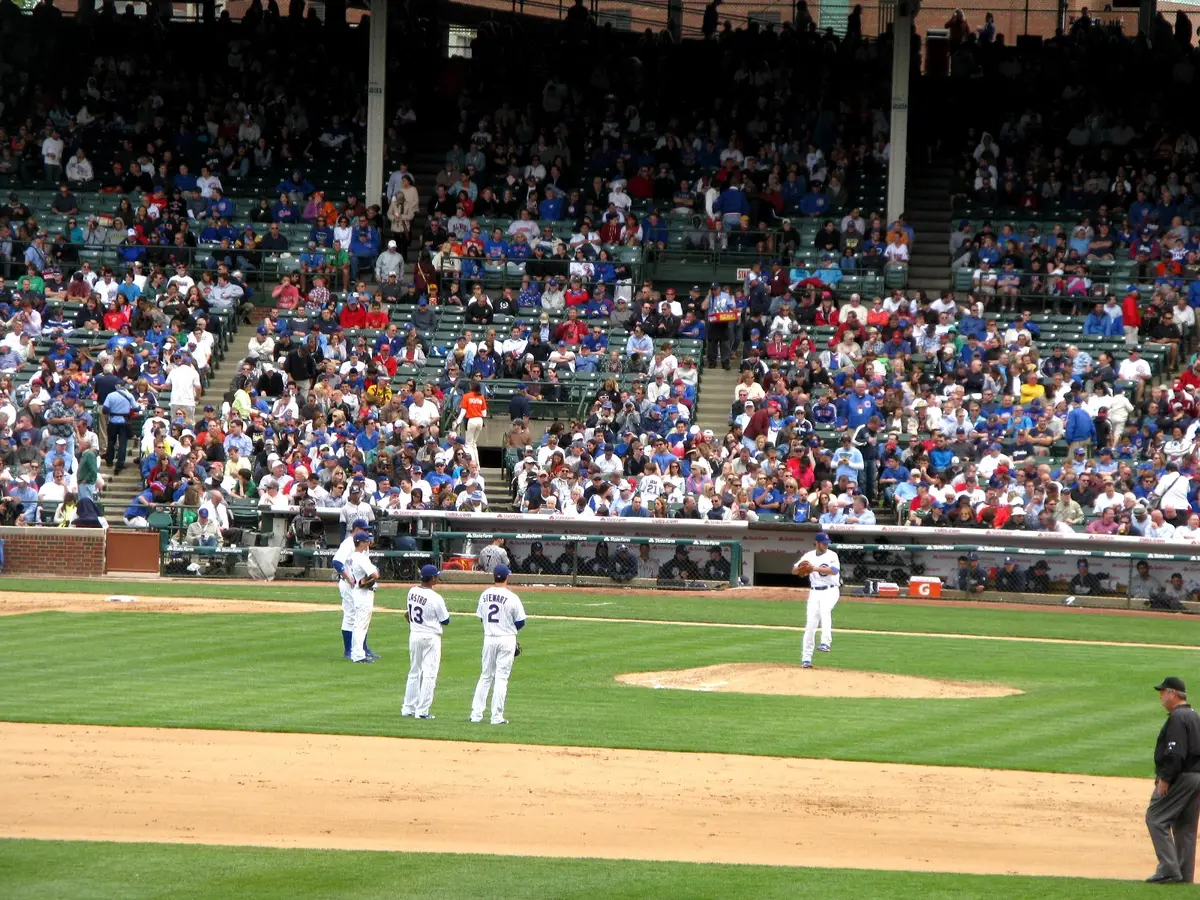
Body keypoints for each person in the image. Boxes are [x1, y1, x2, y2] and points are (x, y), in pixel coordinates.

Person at [1146, 676, 1200, 883]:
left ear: (1173, 694)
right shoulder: (1194, 715)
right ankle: (1184, 875)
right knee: (1186, 826)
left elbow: (1176, 753)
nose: (1161, 697)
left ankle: (1168, 869)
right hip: (1196, 776)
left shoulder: (1178, 718)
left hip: (1181, 775)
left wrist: (1166, 778)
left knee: (1155, 818)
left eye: (1163, 693)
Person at [469, 564, 526, 725]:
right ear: (507, 577)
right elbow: (521, 621)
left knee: (485, 676)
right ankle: (496, 717)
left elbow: (482, 617)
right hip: (506, 638)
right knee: (501, 678)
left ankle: (476, 714)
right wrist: (511, 631)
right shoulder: (512, 597)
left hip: (489, 638)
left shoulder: (484, 595)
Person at [402, 565, 450, 720]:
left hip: (414, 634)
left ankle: (408, 708)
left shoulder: (411, 591)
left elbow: (407, 615)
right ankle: (422, 711)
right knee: (429, 674)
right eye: (436, 576)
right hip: (430, 637)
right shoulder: (436, 597)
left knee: (414, 671)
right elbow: (446, 620)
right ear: (432, 578)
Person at [331, 518, 378, 660]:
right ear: (356, 529)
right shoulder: (348, 544)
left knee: (360, 617)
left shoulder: (362, 544)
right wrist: (347, 577)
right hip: (348, 585)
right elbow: (336, 562)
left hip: (357, 584)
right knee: (351, 616)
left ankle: (362, 648)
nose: (367, 532)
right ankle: (349, 650)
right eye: (364, 529)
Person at [792, 531, 840, 668]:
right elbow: (794, 570)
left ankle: (826, 642)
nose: (826, 545)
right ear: (816, 543)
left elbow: (834, 570)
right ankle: (806, 659)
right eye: (823, 543)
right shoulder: (809, 556)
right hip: (814, 592)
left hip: (831, 590)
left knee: (825, 611)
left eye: (827, 543)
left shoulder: (832, 555)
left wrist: (813, 568)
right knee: (810, 625)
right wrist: (800, 569)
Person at [346, 531, 380, 664]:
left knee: (358, 625)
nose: (368, 543)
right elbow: (375, 574)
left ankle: (357, 652)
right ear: (360, 543)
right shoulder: (361, 558)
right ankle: (358, 655)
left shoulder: (353, 556)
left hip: (358, 591)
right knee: (361, 625)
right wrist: (374, 573)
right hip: (363, 593)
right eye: (366, 541)